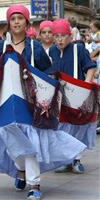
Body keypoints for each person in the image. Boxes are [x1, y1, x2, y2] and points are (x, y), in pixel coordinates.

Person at [0, 5, 86, 200]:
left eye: (20, 18)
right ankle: (19, 168)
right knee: (9, 139)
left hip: (30, 103)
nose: (16, 22)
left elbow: (47, 71)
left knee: (30, 141)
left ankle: (34, 183)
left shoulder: (35, 47)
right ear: (8, 23)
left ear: (27, 23)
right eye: (13, 18)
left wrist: (53, 83)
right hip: (5, 103)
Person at [49, 18, 97, 174]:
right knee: (62, 129)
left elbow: (90, 68)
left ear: (70, 36)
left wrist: (86, 85)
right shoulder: (52, 51)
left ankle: (76, 159)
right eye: (56, 36)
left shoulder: (79, 50)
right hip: (59, 97)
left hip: (77, 95)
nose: (59, 39)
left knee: (77, 127)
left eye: (63, 35)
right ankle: (65, 160)